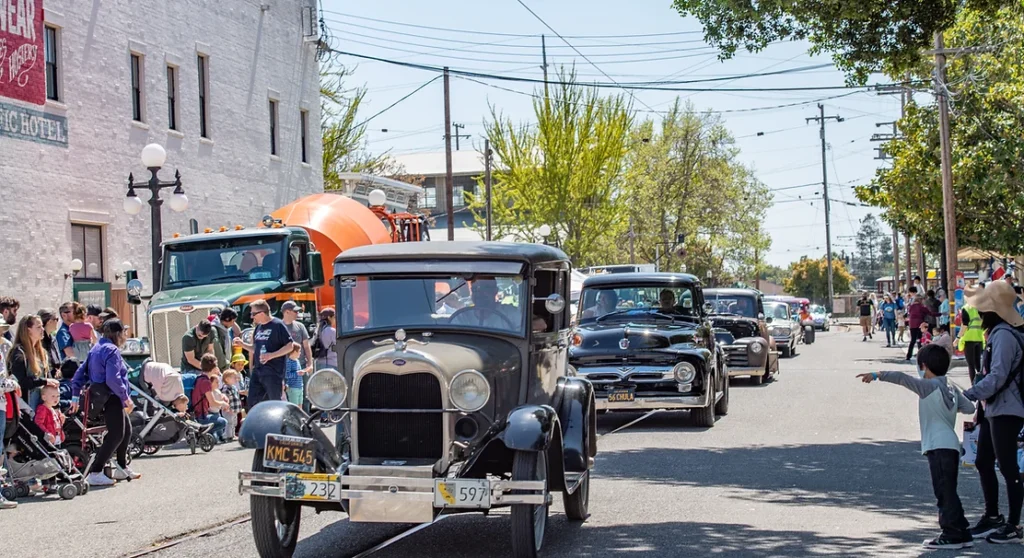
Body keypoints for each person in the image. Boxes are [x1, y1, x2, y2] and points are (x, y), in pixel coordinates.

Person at [856, 344, 976, 549]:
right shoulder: (950, 387)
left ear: (924, 366)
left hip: (937, 446)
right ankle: (961, 529)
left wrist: (877, 374)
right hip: (952, 445)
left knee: (943, 491)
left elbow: (902, 378)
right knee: (949, 490)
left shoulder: (927, 386)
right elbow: (969, 407)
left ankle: (951, 533)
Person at [960, 280, 1024, 544]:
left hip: (1007, 410)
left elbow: (997, 376)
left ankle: (1012, 525)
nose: (978, 312)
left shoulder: (1005, 336)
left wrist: (969, 395)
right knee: (983, 461)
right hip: (994, 408)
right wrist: (980, 406)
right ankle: (993, 516)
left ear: (992, 311)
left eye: (982, 308)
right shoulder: (999, 333)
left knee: (1009, 468)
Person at [69, 319, 140, 486]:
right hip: (112, 397)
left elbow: (80, 373)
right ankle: (95, 471)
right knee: (116, 435)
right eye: (124, 332)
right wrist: (126, 398)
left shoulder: (96, 348)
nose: (125, 335)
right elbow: (113, 378)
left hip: (101, 396)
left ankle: (121, 467)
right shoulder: (111, 350)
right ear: (117, 334)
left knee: (126, 431)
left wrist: (74, 395)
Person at [240, 299, 298, 409]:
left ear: (262, 313)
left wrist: (271, 355)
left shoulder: (278, 325)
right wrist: (242, 344)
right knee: (252, 402)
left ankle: (278, 424)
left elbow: (290, 346)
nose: (252, 317)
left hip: (273, 372)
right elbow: (255, 349)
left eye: (253, 313)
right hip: (258, 371)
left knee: (274, 402)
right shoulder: (258, 327)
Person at [7, 315, 57, 410]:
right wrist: (44, 381)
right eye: (38, 327)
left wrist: (56, 407)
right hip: (26, 407)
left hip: (42, 407)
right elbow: (20, 382)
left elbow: (48, 378)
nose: (42, 329)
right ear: (28, 330)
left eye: (42, 326)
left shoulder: (42, 352)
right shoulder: (19, 353)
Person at [449, 278, 521, 329]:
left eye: (486, 288)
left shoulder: (510, 314)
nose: (480, 293)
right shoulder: (462, 317)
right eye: (475, 289)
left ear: (495, 290)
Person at [280, 301, 313, 407]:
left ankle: (306, 419)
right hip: (284, 367)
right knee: (287, 394)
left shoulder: (300, 326)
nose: (297, 314)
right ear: (287, 312)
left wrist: (310, 363)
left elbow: (306, 346)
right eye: (295, 311)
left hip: (301, 364)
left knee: (305, 394)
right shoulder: (279, 327)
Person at [190, 354, 229, 442]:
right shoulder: (206, 382)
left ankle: (206, 435)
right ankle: (201, 432)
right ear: (214, 366)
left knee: (214, 439)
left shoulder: (200, 378)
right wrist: (223, 404)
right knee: (223, 422)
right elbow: (212, 402)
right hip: (202, 416)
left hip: (197, 414)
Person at [957, 298, 986, 384]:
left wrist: (958, 338)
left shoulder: (966, 308)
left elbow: (964, 326)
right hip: (980, 337)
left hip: (969, 338)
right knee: (978, 364)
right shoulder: (981, 308)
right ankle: (981, 383)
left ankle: (974, 386)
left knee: (971, 365)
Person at [906, 295, 936, 360]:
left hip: (912, 324)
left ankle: (908, 355)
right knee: (920, 339)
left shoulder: (911, 307)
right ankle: (921, 354)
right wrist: (940, 314)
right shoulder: (922, 307)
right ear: (920, 300)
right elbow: (930, 313)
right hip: (919, 324)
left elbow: (909, 314)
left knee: (913, 340)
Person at [37, 308, 64, 377]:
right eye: (56, 319)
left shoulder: (53, 339)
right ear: (49, 321)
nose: (57, 322)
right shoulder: (39, 341)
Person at [222, 369, 244, 440]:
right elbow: (225, 400)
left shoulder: (234, 387)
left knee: (234, 422)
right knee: (229, 422)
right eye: (234, 378)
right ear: (227, 379)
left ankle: (232, 434)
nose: (236, 379)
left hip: (234, 409)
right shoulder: (226, 388)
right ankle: (228, 435)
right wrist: (228, 408)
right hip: (228, 410)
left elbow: (237, 397)